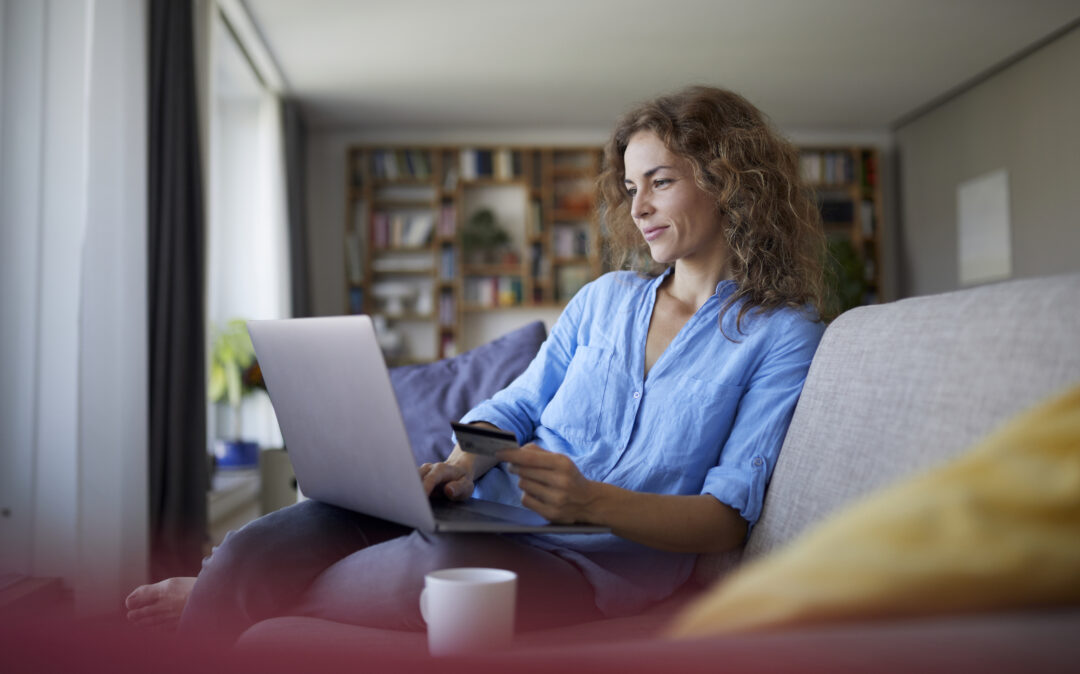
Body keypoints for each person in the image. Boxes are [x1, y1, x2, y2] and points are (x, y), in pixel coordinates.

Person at [126, 85, 828, 645]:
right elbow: (516, 405)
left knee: (432, 571)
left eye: (660, 181)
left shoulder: (781, 334)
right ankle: (232, 586)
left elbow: (726, 519)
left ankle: (220, 600)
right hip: (486, 513)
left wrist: (591, 503)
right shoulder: (605, 299)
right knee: (259, 542)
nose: (637, 206)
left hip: (593, 569)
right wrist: (463, 463)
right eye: (630, 185)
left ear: (727, 182)